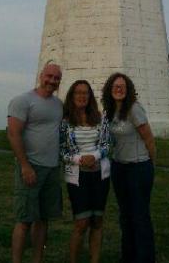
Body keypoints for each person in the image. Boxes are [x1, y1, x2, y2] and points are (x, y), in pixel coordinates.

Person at [7, 63, 63, 263]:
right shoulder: (23, 101)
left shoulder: (58, 105)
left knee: (43, 219)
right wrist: (25, 165)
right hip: (30, 167)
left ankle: (37, 260)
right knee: (24, 220)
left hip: (52, 168)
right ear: (41, 75)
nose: (52, 81)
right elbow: (13, 133)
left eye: (56, 78)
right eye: (49, 76)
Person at [102, 72, 156, 263]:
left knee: (140, 215)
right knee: (125, 214)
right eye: (116, 86)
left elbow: (149, 139)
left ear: (128, 89)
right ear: (110, 89)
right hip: (119, 167)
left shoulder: (134, 109)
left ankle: (145, 258)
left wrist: (150, 164)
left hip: (138, 167)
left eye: (123, 86)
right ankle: (128, 256)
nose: (119, 89)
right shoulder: (109, 111)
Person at [60, 80, 110, 263]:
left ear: (90, 96)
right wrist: (79, 159)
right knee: (81, 222)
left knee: (97, 221)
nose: (82, 96)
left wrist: (94, 156)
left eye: (85, 93)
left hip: (100, 174)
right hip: (77, 176)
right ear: (72, 96)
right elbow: (62, 149)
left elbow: (106, 144)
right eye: (78, 93)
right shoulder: (65, 122)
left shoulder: (100, 118)